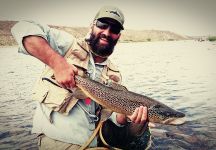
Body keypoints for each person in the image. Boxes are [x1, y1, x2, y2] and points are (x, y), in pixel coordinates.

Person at [11, 5, 151, 150]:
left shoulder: (114, 74)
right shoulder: (67, 45)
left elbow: (112, 116)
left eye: (114, 29)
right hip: (57, 141)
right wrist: (57, 63)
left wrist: (128, 115)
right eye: (102, 25)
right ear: (92, 25)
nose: (107, 32)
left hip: (93, 144)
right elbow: (21, 28)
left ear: (118, 36)